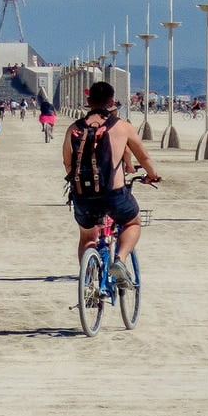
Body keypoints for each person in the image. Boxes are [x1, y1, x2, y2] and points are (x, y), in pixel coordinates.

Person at [63, 81, 160, 286]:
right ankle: (120, 261)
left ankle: (88, 282)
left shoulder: (74, 128)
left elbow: (67, 163)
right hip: (113, 194)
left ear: (89, 101)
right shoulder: (123, 127)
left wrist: (80, 183)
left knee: (87, 237)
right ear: (111, 102)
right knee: (132, 222)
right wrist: (153, 175)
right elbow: (143, 157)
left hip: (83, 196)